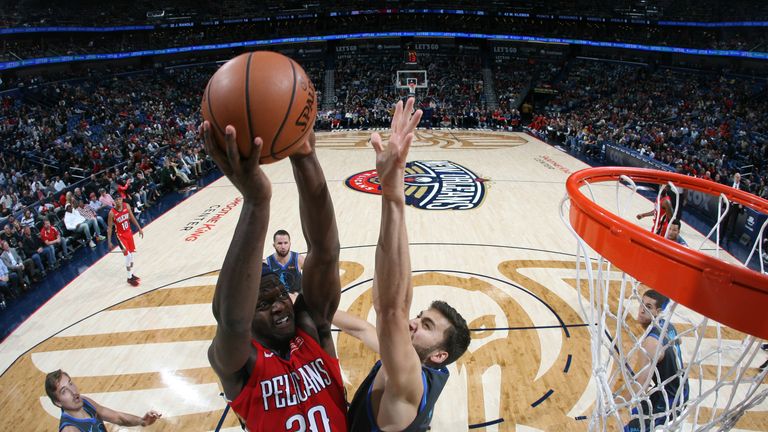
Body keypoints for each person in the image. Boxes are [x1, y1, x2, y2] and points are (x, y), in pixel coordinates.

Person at [200, 121, 347, 431]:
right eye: (263, 304)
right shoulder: (240, 365)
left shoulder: (310, 330)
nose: (279, 305)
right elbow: (230, 319)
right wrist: (256, 202)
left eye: (279, 296)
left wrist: (305, 157)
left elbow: (325, 252)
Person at [336, 98, 471, 431]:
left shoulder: (409, 381)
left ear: (438, 355)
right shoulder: (414, 363)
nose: (413, 323)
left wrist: (393, 188)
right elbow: (363, 328)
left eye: (426, 326)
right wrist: (307, 305)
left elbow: (391, 310)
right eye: (422, 317)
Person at [625, 289, 690, 432]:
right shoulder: (668, 326)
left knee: (630, 429)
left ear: (657, 311)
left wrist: (618, 403)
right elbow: (679, 341)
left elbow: (642, 385)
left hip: (669, 400)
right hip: (681, 388)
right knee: (638, 413)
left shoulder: (651, 342)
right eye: (642, 304)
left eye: (648, 307)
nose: (641, 310)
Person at [45, 369, 161, 431]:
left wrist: (142, 421)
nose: (73, 392)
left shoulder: (85, 402)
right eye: (64, 391)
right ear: (58, 402)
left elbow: (117, 417)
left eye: (71, 383)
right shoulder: (70, 430)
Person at [107, 195, 143, 287]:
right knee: (128, 255)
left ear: (121, 199)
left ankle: (131, 274)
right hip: (120, 236)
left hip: (129, 233)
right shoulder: (112, 213)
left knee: (131, 256)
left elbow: (132, 218)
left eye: (119, 199)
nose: (118, 201)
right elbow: (110, 228)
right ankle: (129, 278)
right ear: (114, 201)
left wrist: (139, 228)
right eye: (116, 200)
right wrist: (109, 241)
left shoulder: (126, 206)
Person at [264, 229, 304, 298]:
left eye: (285, 243)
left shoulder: (299, 259)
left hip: (298, 301)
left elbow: (312, 278)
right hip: (279, 303)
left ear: (290, 244)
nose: (283, 247)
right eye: (279, 243)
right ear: (274, 245)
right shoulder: (267, 263)